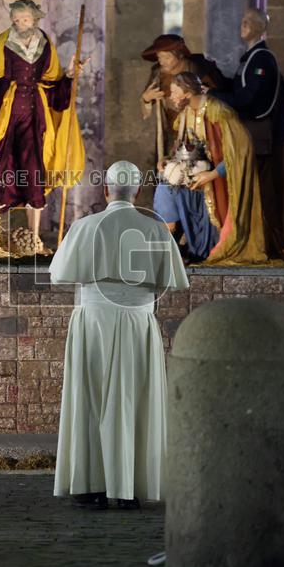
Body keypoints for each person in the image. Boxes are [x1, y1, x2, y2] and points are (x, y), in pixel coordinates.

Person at [51, 160, 188, 509]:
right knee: (133, 399)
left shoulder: (84, 228)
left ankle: (88, 485)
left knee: (89, 398)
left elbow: (60, 274)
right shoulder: (156, 230)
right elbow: (167, 280)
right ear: (138, 191)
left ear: (105, 190)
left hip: (93, 321)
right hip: (136, 323)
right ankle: (128, 488)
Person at [0, 0, 85, 254]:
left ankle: (34, 237)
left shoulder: (45, 45)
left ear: (35, 19)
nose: (20, 24)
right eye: (16, 20)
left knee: (33, 172)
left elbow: (53, 84)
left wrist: (70, 76)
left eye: (25, 19)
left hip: (34, 118)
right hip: (4, 118)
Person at [208, 9, 284, 260]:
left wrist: (216, 97)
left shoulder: (262, 59)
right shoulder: (250, 58)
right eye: (242, 21)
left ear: (261, 28)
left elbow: (250, 98)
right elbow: (238, 87)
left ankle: (264, 241)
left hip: (260, 137)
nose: (242, 25)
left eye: (248, 22)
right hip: (252, 134)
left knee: (263, 189)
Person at [154, 72, 268, 264]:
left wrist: (212, 175)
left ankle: (190, 246)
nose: (171, 97)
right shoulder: (186, 115)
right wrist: (166, 161)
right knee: (165, 187)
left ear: (188, 93)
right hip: (196, 181)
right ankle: (171, 247)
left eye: (174, 92)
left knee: (167, 190)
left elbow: (240, 151)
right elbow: (182, 149)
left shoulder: (219, 113)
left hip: (218, 186)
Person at [139, 34, 229, 160]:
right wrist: (146, 99)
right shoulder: (158, 72)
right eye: (159, 57)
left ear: (179, 55)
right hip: (170, 129)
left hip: (197, 127)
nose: (162, 61)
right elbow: (147, 98)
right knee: (169, 167)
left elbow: (217, 96)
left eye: (167, 57)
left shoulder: (197, 69)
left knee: (196, 165)